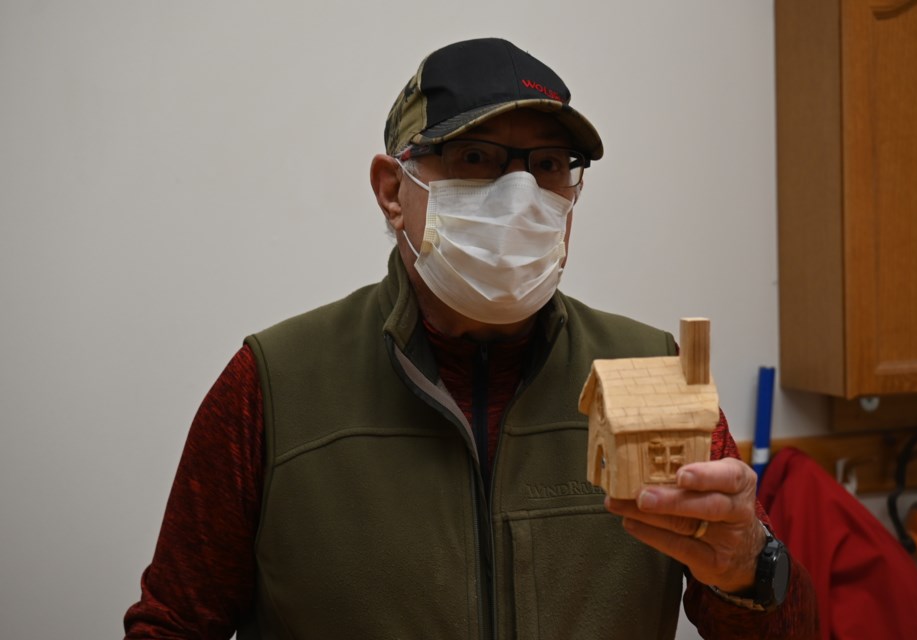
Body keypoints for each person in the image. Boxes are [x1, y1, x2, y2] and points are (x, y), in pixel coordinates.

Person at [124, 38, 818, 639]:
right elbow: (174, 626)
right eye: (477, 157)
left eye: (549, 165)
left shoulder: (655, 377)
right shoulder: (272, 389)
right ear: (393, 189)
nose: (521, 196)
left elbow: (787, 631)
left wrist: (751, 566)